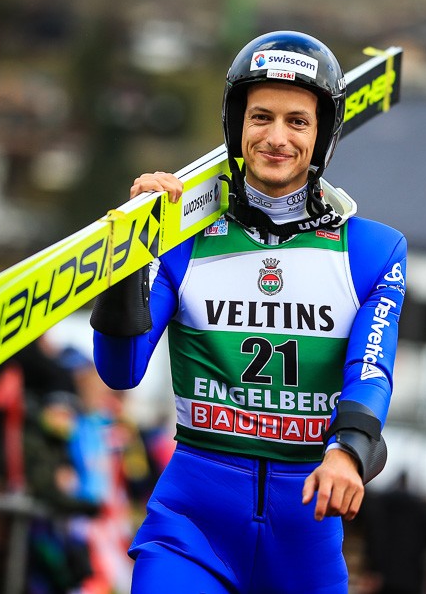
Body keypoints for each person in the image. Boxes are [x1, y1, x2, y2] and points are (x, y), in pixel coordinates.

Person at [89, 30, 407, 593]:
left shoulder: (372, 252)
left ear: (323, 134)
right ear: (237, 125)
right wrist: (131, 249)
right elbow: (121, 370)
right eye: (261, 117)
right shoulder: (182, 241)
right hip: (191, 527)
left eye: (297, 121)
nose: (276, 138)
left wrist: (349, 452)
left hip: (304, 537)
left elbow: (371, 370)